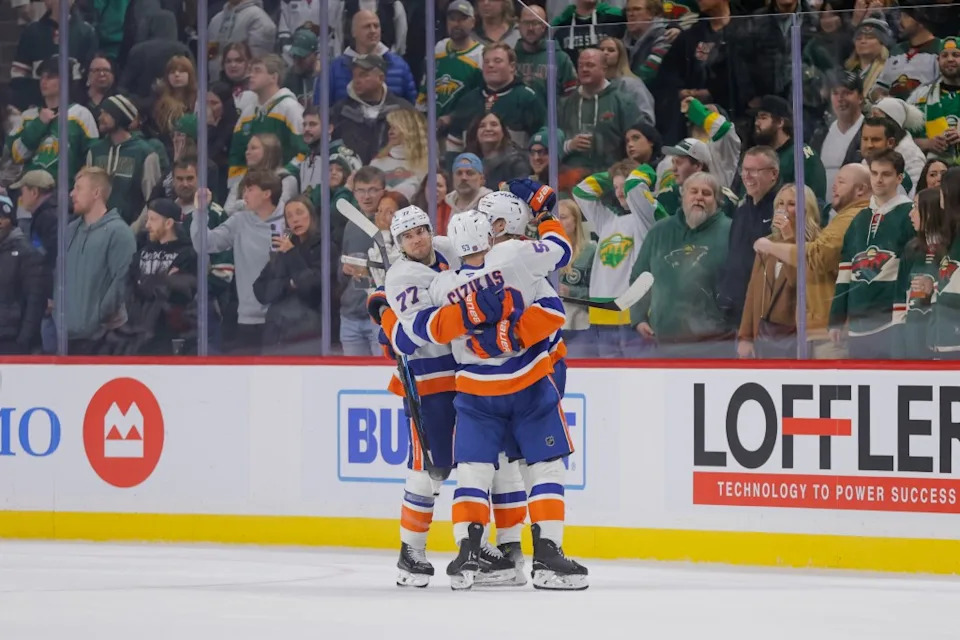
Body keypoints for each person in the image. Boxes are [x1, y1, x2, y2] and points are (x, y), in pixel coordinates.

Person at [402, 188, 587, 590]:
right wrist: (509, 336)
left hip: (474, 392)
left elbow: (421, 330)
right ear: (490, 234)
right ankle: (548, 556)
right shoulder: (518, 258)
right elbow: (558, 274)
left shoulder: (441, 286)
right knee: (542, 467)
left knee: (474, 470)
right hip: (530, 385)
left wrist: (389, 304)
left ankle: (469, 553)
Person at [364, 204, 462, 588]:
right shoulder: (403, 274)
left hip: (466, 378)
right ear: (400, 243)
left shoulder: (450, 249)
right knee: (429, 470)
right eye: (407, 236)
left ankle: (481, 547)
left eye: (420, 230)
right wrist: (386, 315)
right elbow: (406, 338)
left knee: (479, 465)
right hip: (426, 382)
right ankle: (411, 553)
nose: (417, 239)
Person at [755, 163, 872, 359]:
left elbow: (816, 259)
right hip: (812, 331)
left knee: (831, 389)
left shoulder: (851, 218)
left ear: (861, 189)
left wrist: (774, 246)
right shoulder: (843, 220)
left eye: (841, 182)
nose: (834, 187)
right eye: (781, 204)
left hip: (828, 332)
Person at [629, 172, 733, 358]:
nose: (699, 197)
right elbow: (640, 277)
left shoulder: (732, 232)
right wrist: (638, 318)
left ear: (717, 201)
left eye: (707, 193)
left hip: (716, 346)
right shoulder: (659, 232)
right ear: (683, 196)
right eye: (694, 191)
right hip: (664, 344)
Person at [829, 149, 915, 359]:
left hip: (890, 321)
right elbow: (845, 271)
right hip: (858, 321)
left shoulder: (910, 215)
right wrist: (836, 318)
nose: (878, 180)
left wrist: (902, 318)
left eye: (885, 174)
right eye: (874, 173)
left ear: (899, 178)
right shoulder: (859, 219)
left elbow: (911, 271)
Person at [572, 160, 663, 357]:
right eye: (615, 188)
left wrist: (629, 176)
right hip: (602, 316)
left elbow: (637, 185)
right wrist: (615, 173)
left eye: (624, 186)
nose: (620, 192)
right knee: (609, 382)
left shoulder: (645, 217)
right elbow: (581, 191)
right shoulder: (608, 221)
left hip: (634, 316)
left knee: (640, 379)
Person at [191, 170, 287, 354]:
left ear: (267, 194)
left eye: (250, 190)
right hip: (247, 319)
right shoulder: (240, 221)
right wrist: (201, 212)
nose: (244, 195)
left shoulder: (288, 222)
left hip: (281, 318)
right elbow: (204, 244)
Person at [737, 184, 821, 359]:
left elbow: (798, 282)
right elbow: (753, 291)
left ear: (806, 210)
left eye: (791, 204)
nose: (784, 210)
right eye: (780, 204)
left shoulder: (817, 245)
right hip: (764, 333)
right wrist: (745, 337)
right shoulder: (768, 243)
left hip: (795, 337)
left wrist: (789, 237)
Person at [63, 167, 136, 354]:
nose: (72, 194)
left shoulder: (119, 233)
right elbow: (60, 275)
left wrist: (96, 317)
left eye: (78, 188)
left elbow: (122, 281)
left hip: (104, 339)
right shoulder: (70, 231)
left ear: (96, 193)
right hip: (67, 337)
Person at [7, 56, 98, 186]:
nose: (44, 81)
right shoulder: (28, 116)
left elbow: (92, 158)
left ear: (65, 80)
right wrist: (38, 124)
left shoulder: (81, 115)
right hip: (29, 192)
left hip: (65, 194)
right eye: (42, 77)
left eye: (50, 77)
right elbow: (17, 155)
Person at [253, 197, 327, 354]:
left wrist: (292, 253)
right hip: (275, 331)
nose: (295, 219)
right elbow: (260, 290)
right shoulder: (282, 250)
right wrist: (289, 284)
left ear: (311, 215)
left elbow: (312, 289)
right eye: (290, 216)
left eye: (299, 213)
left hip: (307, 331)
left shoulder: (325, 247)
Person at [124, 198, 198, 355]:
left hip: (170, 337)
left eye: (153, 219)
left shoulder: (187, 254)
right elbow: (130, 287)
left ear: (169, 223)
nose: (147, 225)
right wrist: (163, 279)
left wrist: (150, 282)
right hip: (137, 334)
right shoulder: (141, 252)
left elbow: (180, 295)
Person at [229, 55, 307, 197]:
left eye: (257, 71)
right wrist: (237, 189)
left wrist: (283, 175)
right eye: (250, 70)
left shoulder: (290, 108)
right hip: (252, 190)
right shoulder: (248, 112)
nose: (251, 75)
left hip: (284, 189)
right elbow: (237, 154)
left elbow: (305, 150)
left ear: (274, 77)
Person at [86, 94, 163, 227]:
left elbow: (152, 200)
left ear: (120, 117)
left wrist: (134, 230)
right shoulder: (94, 151)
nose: (100, 118)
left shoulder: (145, 153)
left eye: (106, 113)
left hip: (131, 231)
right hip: (96, 228)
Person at [893, 188, 945, 359]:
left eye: (915, 207)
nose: (910, 214)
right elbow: (900, 296)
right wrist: (898, 340)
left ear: (931, 212)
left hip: (942, 337)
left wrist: (934, 287)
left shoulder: (952, 249)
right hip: (912, 337)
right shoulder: (912, 248)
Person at [0, 194, 45, 354]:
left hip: (10, 341)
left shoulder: (27, 253)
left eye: (3, 217)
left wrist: (23, 341)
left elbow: (35, 301)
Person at [208, 0, 277, 79]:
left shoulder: (259, 19)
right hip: (216, 85)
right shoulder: (215, 20)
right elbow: (212, 57)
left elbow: (259, 61)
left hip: (247, 87)